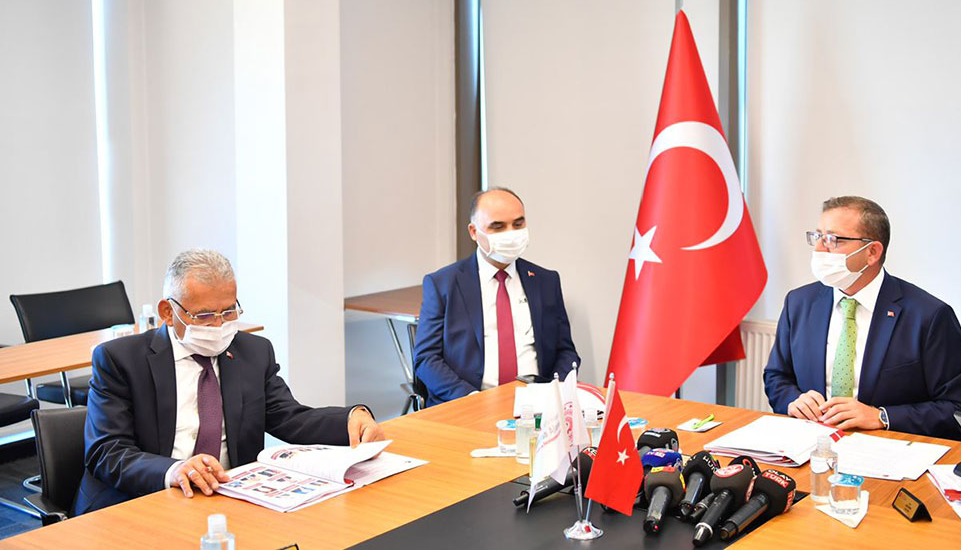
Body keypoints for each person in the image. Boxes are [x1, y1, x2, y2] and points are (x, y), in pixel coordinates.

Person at [73, 249, 384, 515]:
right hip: (140, 499)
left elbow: (289, 417)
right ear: (168, 312)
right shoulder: (120, 359)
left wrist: (349, 419)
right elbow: (107, 451)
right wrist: (174, 470)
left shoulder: (252, 352)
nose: (219, 325)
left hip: (226, 499)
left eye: (229, 311)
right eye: (205, 316)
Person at [763, 196, 961, 440]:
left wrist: (882, 417)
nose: (819, 249)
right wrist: (793, 400)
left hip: (889, 448)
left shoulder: (929, 316)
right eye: (818, 236)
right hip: (811, 443)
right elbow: (777, 376)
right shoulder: (799, 303)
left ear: (872, 252)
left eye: (833, 240)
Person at [413, 187, 581, 406]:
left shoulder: (545, 281)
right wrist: (470, 399)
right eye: (498, 227)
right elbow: (426, 359)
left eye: (518, 224)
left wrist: (554, 392)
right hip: (468, 403)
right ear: (474, 232)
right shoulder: (443, 284)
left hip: (537, 404)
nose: (510, 233)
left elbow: (565, 351)